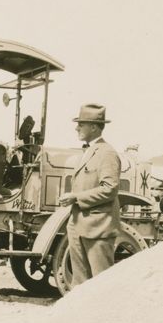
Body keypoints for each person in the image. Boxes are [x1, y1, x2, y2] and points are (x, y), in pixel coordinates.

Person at [57, 104, 121, 288]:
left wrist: (76, 197)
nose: (77, 128)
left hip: (97, 228)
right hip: (79, 225)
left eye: (81, 124)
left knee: (101, 285)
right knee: (80, 284)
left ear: (94, 127)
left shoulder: (107, 153)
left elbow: (110, 188)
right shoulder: (89, 151)